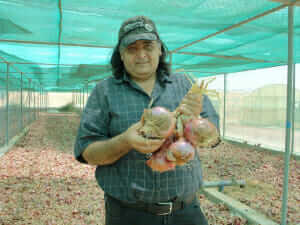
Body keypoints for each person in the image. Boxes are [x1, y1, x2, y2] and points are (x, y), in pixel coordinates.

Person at [74, 15, 219, 225]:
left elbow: (214, 139)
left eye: (148, 46)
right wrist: (125, 141)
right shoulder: (104, 91)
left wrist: (195, 127)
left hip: (186, 213)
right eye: (131, 48)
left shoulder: (186, 84)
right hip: (129, 215)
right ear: (121, 55)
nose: (141, 55)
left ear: (160, 49)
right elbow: (86, 152)